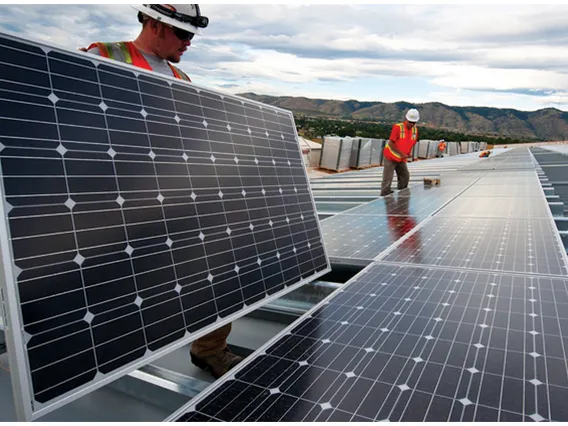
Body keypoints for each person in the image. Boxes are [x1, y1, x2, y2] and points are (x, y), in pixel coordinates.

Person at [83, 4, 243, 380]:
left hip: (167, 195)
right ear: (154, 25)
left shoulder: (180, 77)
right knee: (104, 283)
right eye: (183, 35)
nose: (188, 44)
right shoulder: (103, 56)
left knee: (218, 264)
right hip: (113, 197)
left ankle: (210, 350)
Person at [380, 109, 420, 197]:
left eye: (414, 122)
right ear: (406, 119)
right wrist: (402, 153)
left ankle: (402, 193)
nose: (412, 124)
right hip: (390, 156)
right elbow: (391, 143)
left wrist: (408, 153)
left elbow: (411, 143)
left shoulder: (415, 130)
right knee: (388, 178)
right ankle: (385, 194)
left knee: (405, 176)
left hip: (401, 158)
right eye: (410, 122)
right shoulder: (398, 127)